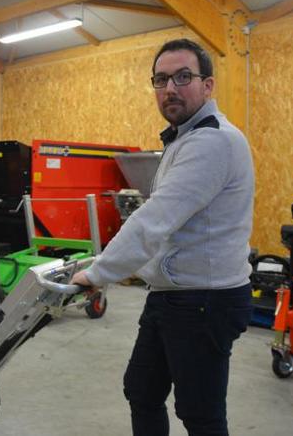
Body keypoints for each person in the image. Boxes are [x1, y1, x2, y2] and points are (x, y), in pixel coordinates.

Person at [71, 38, 254, 436]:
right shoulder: (183, 137)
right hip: (171, 293)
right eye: (161, 79)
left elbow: (154, 218)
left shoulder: (212, 140)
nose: (170, 88)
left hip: (204, 298)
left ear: (208, 86)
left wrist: (97, 273)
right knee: (141, 390)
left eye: (183, 77)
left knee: (200, 414)